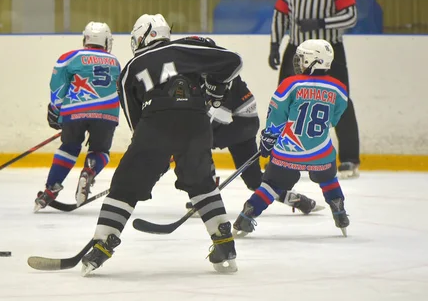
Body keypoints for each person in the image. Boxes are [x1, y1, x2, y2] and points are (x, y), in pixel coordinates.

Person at [80, 14, 243, 276]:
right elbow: (235, 61)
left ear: (142, 36)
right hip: (197, 123)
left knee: (125, 186)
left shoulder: (131, 68)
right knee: (201, 182)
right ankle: (224, 242)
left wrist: (156, 152)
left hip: (156, 124)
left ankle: (102, 244)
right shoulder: (186, 48)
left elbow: (136, 123)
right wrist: (215, 87)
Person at [234, 39, 350, 237]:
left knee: (271, 185)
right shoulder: (339, 88)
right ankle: (338, 209)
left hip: (288, 153)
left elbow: (276, 116)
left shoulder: (290, 84)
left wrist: (268, 141)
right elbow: (333, 120)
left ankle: (248, 214)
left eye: (303, 59)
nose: (298, 62)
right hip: (320, 153)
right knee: (328, 178)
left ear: (313, 61)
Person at [269, 0, 360, 179]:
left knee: (342, 100)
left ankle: (350, 159)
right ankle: (279, 155)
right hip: (297, 49)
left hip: (330, 49)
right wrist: (275, 44)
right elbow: (281, 14)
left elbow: (350, 15)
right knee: (285, 100)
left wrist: (321, 22)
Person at [188, 70, 322, 215]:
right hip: (245, 124)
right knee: (254, 181)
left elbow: (210, 117)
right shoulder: (213, 70)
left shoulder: (219, 76)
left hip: (239, 125)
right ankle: (299, 200)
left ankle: (206, 197)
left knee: (197, 145)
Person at [34, 22, 121, 211]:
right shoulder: (114, 61)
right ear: (106, 41)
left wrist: (56, 112)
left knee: (69, 148)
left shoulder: (69, 57)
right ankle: (89, 169)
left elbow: (57, 85)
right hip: (107, 112)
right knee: (101, 152)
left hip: (76, 110)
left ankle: (51, 189)